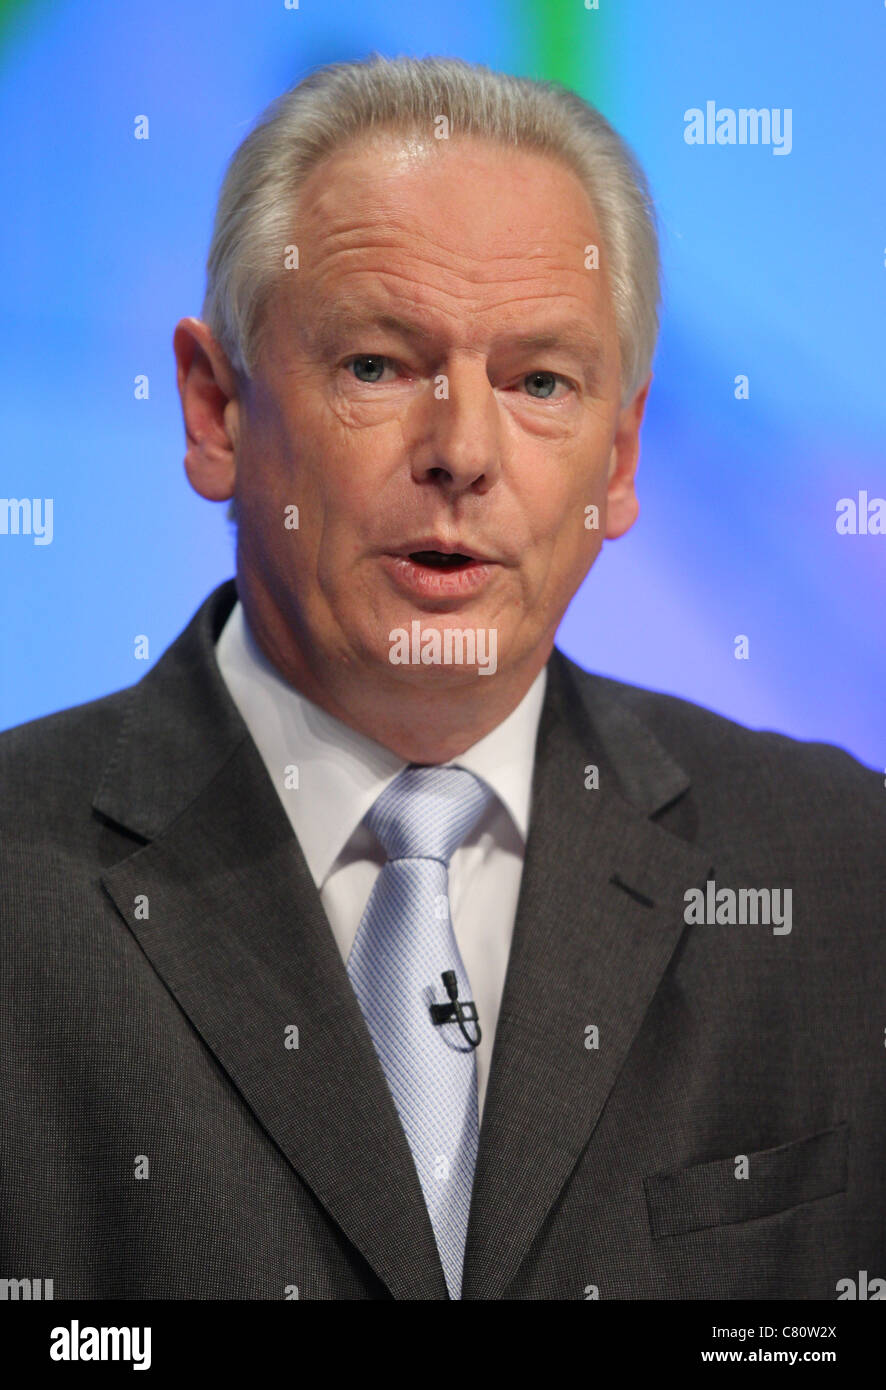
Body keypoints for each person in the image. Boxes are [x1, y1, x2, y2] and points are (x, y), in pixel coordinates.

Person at [1, 55, 883, 1302]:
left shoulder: (842, 874)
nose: (463, 451)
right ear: (214, 412)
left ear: (619, 457)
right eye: (376, 365)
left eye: (538, 383)